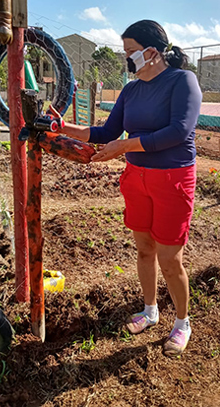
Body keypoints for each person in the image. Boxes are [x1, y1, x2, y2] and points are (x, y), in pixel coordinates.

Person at [54, 20, 202, 356]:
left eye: (130, 52)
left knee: (169, 259)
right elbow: (107, 132)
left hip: (173, 179)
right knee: (144, 250)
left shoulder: (183, 82)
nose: (127, 58)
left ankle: (182, 323)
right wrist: (64, 127)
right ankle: (150, 310)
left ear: (151, 52)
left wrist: (124, 147)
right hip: (137, 178)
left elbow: (177, 133)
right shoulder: (131, 90)